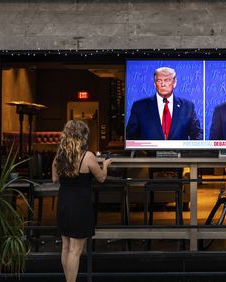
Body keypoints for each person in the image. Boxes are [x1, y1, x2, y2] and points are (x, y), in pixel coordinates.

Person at [52, 120, 112, 282]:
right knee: (75, 250)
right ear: (83, 136)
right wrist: (105, 164)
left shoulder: (59, 156)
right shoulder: (88, 156)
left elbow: (54, 178)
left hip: (64, 202)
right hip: (80, 205)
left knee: (66, 247)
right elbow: (101, 178)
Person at [126, 67, 203, 140]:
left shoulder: (188, 107)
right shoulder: (140, 106)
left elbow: (197, 134)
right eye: (159, 81)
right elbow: (130, 136)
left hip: (179, 153)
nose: (163, 84)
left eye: (167, 80)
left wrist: (191, 152)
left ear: (174, 83)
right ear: (154, 84)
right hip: (149, 153)